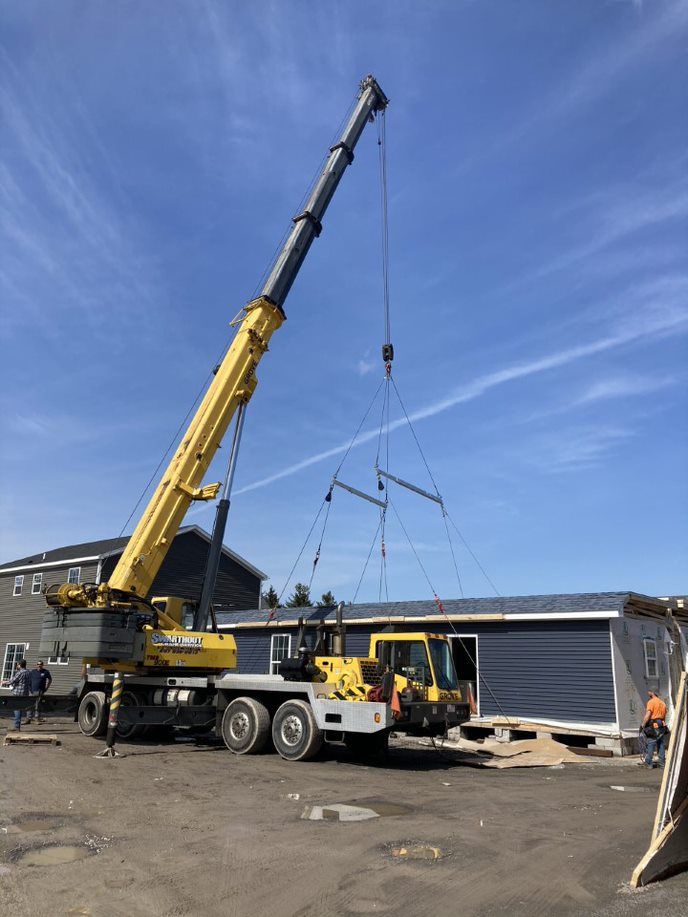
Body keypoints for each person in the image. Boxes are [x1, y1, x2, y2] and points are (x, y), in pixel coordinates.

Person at [638, 690, 668, 768]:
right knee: (661, 744)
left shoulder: (651, 702)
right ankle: (662, 764)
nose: (648, 693)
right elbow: (664, 716)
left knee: (651, 743)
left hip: (654, 726)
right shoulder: (663, 703)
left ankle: (648, 763)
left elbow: (648, 715)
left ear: (652, 692)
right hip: (662, 725)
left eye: (649, 692)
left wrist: (642, 725)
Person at [2, 659, 32, 731]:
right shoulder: (28, 672)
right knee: (20, 709)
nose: (17, 665)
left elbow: (12, 681)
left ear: (20, 665)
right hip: (25, 693)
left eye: (17, 664)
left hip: (18, 693)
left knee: (17, 709)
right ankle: (17, 726)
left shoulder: (20, 672)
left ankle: (16, 727)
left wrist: (3, 682)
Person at [26, 660, 52, 724]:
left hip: (40, 691)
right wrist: (30, 689)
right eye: (38, 664)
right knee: (30, 705)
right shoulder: (33, 672)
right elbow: (29, 681)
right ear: (36, 665)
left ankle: (36, 719)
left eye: (40, 664)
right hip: (32, 691)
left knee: (38, 705)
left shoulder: (46, 672)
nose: (39, 665)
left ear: (43, 665)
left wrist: (46, 688)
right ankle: (28, 718)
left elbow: (50, 679)